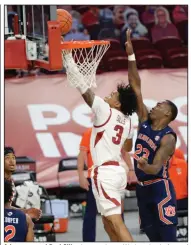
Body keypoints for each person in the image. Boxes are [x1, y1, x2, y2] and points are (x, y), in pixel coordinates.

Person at [63, 51, 138, 241]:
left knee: (115, 222)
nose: (109, 95)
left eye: (113, 94)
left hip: (105, 173)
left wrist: (68, 60)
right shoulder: (128, 121)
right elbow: (128, 148)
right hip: (117, 172)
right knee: (107, 222)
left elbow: (82, 87)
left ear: (118, 103)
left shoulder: (105, 110)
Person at [125, 29, 178, 242]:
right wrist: (130, 55)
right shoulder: (145, 120)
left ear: (167, 113)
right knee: (151, 236)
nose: (154, 106)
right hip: (142, 189)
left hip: (159, 187)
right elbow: (135, 86)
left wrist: (145, 165)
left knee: (167, 237)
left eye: (159, 105)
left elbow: (156, 167)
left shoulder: (168, 138)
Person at [78, 127, 137, 241]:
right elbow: (82, 154)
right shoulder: (90, 133)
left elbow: (124, 151)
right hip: (95, 176)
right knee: (93, 213)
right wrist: (81, 175)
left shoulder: (115, 130)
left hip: (111, 176)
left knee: (116, 214)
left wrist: (131, 169)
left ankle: (120, 240)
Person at [4, 146, 42, 220]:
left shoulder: (9, 181)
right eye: (7, 158)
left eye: (13, 158)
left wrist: (26, 211)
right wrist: (25, 212)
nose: (11, 161)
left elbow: (7, 206)